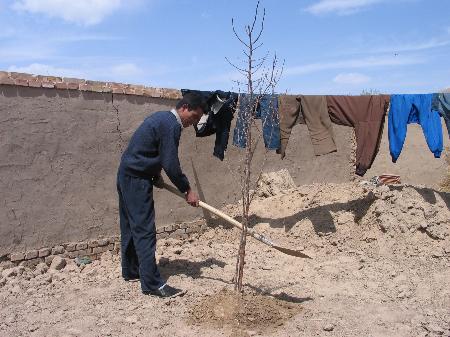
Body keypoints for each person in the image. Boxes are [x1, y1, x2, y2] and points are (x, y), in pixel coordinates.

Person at [116, 93, 207, 297]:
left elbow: (150, 150)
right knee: (145, 230)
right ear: (184, 107)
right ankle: (152, 284)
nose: (192, 123)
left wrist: (155, 174)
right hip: (136, 180)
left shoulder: (161, 119)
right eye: (193, 117)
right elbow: (171, 163)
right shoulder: (171, 125)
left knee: (131, 227)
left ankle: (131, 271)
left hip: (127, 174)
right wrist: (187, 190)